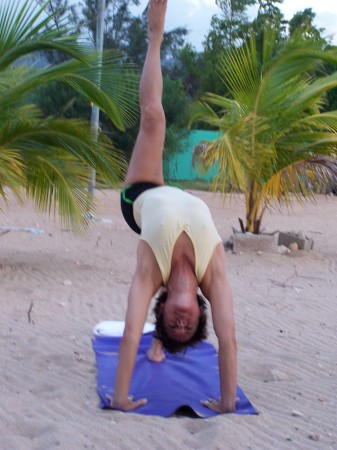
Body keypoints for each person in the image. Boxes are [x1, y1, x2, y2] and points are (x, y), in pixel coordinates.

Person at [110, 0, 237, 414]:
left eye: (170, 326)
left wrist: (121, 398)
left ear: (161, 308)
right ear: (199, 315)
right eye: (187, 328)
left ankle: (155, 37)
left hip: (143, 194)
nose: (180, 324)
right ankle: (160, 352)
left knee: (154, 119)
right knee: (159, 121)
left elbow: (130, 332)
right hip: (179, 197)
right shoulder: (212, 271)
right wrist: (227, 400)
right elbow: (229, 337)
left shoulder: (151, 272)